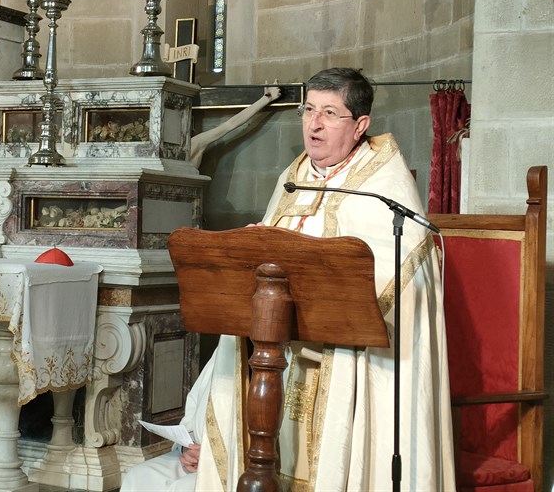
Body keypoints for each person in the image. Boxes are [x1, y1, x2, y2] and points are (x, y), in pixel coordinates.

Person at [121, 67, 456, 491]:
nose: (314, 124)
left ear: (360, 126)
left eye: (330, 113)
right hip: (276, 344)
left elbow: (399, 269)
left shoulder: (383, 185)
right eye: (308, 109)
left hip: (347, 359)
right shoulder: (294, 178)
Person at [189, 82, 281, 168]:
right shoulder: (191, 146)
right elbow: (229, 125)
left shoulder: (192, 145)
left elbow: (230, 124)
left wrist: (266, 99)